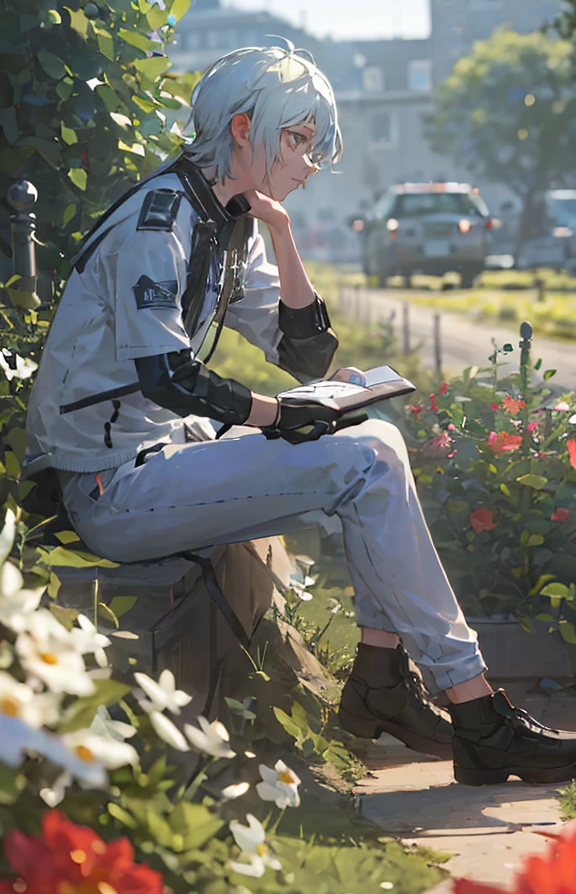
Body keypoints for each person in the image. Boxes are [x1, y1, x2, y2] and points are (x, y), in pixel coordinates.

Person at [25, 44, 576, 788]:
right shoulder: (158, 223)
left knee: (372, 429)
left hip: (157, 458)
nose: (310, 162)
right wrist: (277, 416)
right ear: (244, 129)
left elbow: (307, 355)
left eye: (312, 145)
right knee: (366, 457)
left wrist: (282, 234)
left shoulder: (226, 221)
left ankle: (386, 675)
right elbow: (167, 377)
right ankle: (472, 710)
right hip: (107, 490)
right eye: (298, 140)